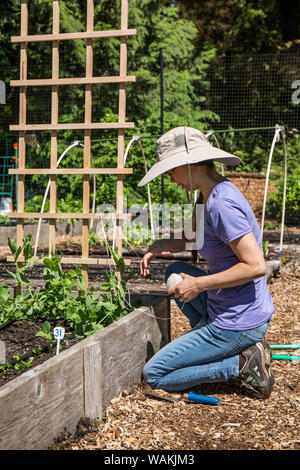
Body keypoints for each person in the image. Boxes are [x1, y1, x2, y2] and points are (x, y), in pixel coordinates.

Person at [138, 126, 274, 399]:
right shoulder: (208, 194)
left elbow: (256, 265)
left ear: (189, 164)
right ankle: (207, 344)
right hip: (232, 308)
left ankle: (239, 363)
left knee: (154, 374)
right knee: (175, 271)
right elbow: (198, 239)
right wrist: (161, 246)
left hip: (238, 323)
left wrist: (199, 284)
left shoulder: (221, 204)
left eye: (171, 170)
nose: (171, 178)